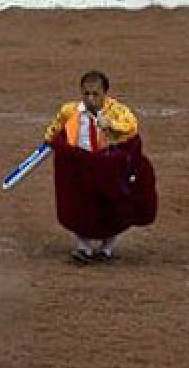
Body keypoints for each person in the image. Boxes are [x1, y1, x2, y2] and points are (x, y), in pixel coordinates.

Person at [42, 70, 157, 264]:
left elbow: (131, 127)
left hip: (108, 168)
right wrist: (49, 141)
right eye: (86, 94)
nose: (90, 99)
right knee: (78, 205)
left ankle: (107, 248)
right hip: (82, 167)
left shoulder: (118, 112)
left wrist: (110, 124)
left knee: (114, 206)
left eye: (95, 94)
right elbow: (55, 129)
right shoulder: (70, 111)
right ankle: (84, 247)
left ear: (105, 93)